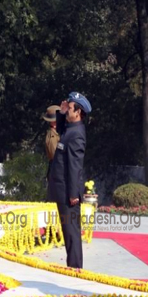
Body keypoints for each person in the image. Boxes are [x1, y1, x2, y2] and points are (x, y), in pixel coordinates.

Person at [47, 92, 91, 269]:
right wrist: (62, 111)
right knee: (68, 232)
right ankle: (72, 266)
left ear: (78, 112)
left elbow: (75, 166)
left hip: (68, 192)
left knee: (72, 233)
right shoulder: (70, 129)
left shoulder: (77, 134)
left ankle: (75, 269)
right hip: (63, 189)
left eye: (71, 108)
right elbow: (60, 128)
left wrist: (74, 193)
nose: (68, 110)